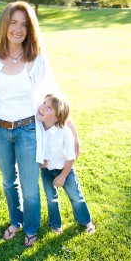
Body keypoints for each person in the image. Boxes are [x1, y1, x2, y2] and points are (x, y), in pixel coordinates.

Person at [0, 1, 80, 247]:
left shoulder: (37, 59)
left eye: (24, 24)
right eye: (13, 22)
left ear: (30, 29)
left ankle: (30, 228)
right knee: (8, 182)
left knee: (30, 186)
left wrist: (71, 127)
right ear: (4, 25)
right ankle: (16, 222)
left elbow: (54, 92)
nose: (18, 29)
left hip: (29, 130)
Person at [37, 94, 95, 234]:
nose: (43, 107)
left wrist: (63, 176)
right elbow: (37, 147)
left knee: (76, 195)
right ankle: (55, 224)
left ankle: (86, 221)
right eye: (44, 103)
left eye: (49, 107)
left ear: (57, 117)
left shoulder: (64, 132)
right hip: (47, 171)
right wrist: (40, 160)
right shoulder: (37, 127)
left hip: (65, 170)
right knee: (51, 198)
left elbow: (71, 156)